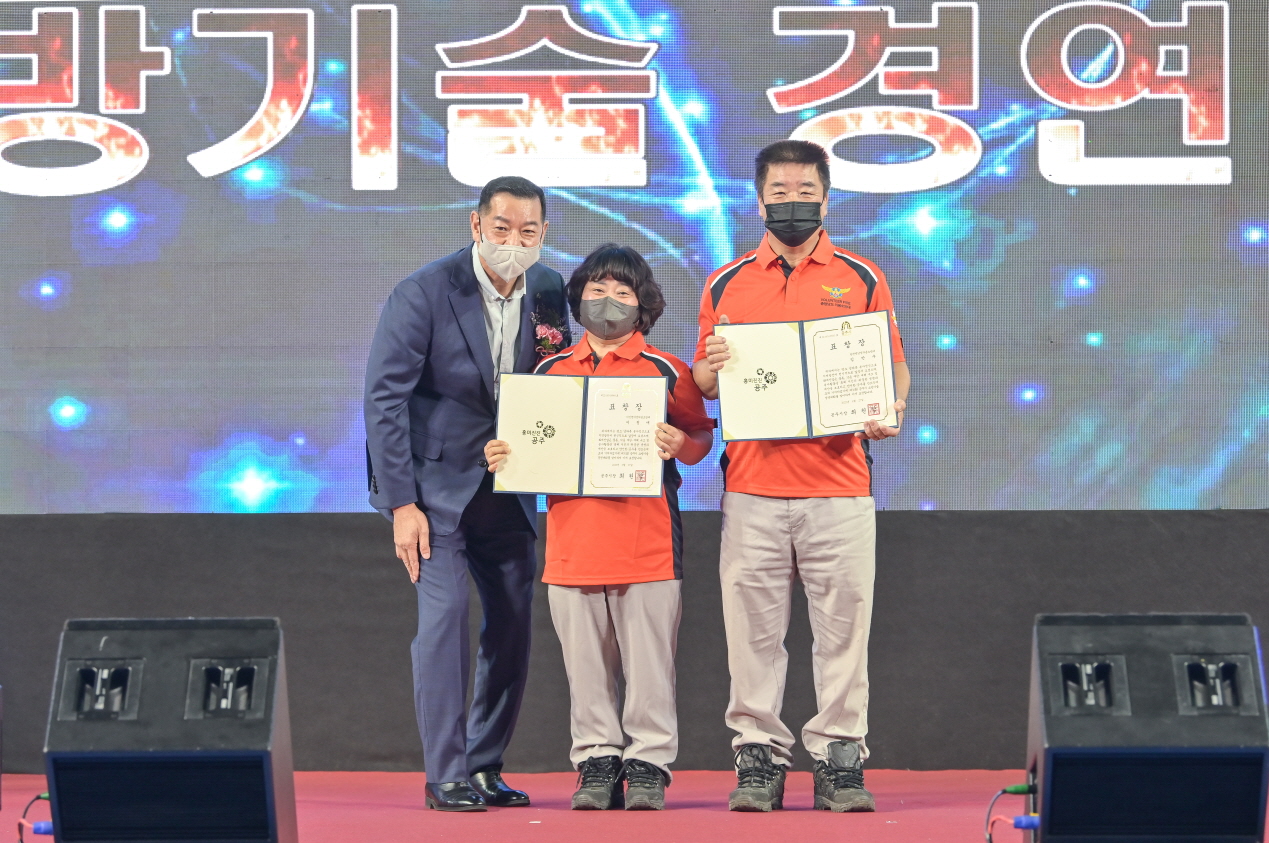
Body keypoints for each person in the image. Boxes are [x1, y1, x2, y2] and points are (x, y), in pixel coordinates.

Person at [691, 140, 910, 813]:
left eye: (804, 191)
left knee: (843, 631)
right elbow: (702, 382)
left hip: (839, 486)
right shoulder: (725, 283)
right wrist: (711, 365)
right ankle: (757, 756)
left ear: (825, 199)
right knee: (752, 635)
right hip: (752, 487)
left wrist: (890, 407)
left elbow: (892, 365)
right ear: (759, 201)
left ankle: (840, 757)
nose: (792, 202)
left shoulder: (861, 276)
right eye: (779, 192)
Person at [363, 176, 571, 812]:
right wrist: (401, 504)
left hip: (512, 489)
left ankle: (484, 764)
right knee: (446, 621)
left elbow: (556, 381)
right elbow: (384, 401)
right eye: (502, 228)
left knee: (512, 625)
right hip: (435, 493)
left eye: (528, 232)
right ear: (476, 225)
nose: (514, 242)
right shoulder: (424, 292)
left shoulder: (548, 289)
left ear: (543, 234)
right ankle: (445, 772)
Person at [484, 244, 715, 811]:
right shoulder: (548, 373)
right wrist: (504, 455)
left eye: (623, 292)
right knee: (585, 668)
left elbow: (700, 438)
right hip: (572, 544)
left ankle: (649, 765)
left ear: (643, 304)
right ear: (578, 297)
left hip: (648, 545)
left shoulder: (667, 370)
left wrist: (680, 444)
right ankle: (596, 762)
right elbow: (527, 446)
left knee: (650, 667)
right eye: (597, 289)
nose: (608, 301)